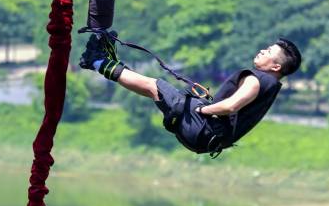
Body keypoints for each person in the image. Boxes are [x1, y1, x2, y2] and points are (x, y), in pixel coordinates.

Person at [80, 29, 302, 156]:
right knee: (157, 89)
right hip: (206, 137)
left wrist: (203, 108)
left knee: (154, 86)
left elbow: (231, 106)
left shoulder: (256, 80)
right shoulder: (271, 86)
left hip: (203, 128)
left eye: (269, 51)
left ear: (276, 67)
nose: (263, 50)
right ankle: (104, 59)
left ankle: (96, 60)